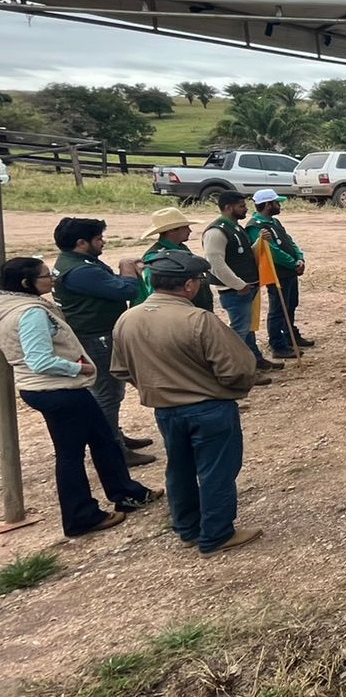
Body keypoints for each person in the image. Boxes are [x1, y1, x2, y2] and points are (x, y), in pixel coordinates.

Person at [112, 249, 262, 557]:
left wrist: (157, 385)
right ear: (190, 285)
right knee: (216, 471)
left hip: (165, 411)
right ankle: (217, 534)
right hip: (209, 408)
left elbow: (120, 369)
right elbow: (236, 369)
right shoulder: (198, 319)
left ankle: (188, 528)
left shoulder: (128, 319)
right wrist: (222, 388)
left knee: (178, 469)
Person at [0, 257, 161, 538]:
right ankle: (81, 516)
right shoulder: (30, 313)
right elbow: (39, 359)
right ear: (26, 283)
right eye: (45, 276)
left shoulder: (9, 307)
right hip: (57, 389)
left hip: (47, 389)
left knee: (102, 440)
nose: (52, 280)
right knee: (71, 455)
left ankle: (127, 493)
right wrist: (80, 368)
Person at [51, 216, 157, 465]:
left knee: (110, 390)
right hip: (95, 336)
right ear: (81, 243)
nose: (103, 242)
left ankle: (115, 436)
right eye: (98, 239)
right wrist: (126, 269)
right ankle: (113, 449)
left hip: (94, 332)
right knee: (108, 393)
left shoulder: (75, 263)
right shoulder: (81, 271)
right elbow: (126, 290)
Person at [201, 191, 280, 373]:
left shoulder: (236, 227)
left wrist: (260, 242)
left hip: (246, 286)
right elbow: (215, 264)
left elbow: (243, 254)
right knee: (240, 330)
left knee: (248, 327)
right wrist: (238, 284)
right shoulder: (216, 231)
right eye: (241, 206)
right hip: (235, 290)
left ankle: (254, 360)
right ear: (229, 207)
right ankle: (240, 369)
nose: (245, 209)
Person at [246, 189, 310, 360]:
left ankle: (290, 335)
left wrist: (300, 258)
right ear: (267, 205)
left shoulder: (274, 222)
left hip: (290, 271)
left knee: (291, 305)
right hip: (277, 273)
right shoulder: (255, 226)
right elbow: (272, 252)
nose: (279, 205)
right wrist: (292, 262)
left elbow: (289, 241)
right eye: (276, 203)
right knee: (278, 309)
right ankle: (278, 344)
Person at [138, 208, 214, 312]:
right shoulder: (155, 257)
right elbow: (155, 289)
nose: (190, 231)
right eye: (185, 227)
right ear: (172, 230)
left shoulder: (181, 248)